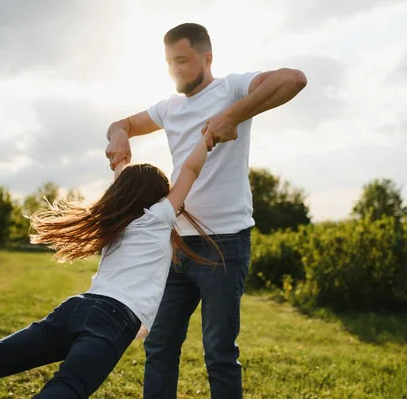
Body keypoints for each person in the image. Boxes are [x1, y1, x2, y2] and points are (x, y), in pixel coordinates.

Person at [0, 132, 218, 399]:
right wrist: (208, 138)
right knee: (69, 387)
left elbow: (126, 182)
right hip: (112, 320)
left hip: (77, 309)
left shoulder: (114, 219)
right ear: (159, 198)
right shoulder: (158, 217)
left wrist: (120, 157)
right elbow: (190, 168)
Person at [105, 22, 307, 398]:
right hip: (177, 244)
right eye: (169, 63)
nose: (175, 70)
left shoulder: (230, 89)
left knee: (219, 353)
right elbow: (124, 124)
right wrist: (118, 134)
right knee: (159, 345)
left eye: (182, 60)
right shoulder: (169, 107)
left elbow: (294, 79)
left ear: (206, 57)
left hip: (225, 245)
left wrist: (233, 115)